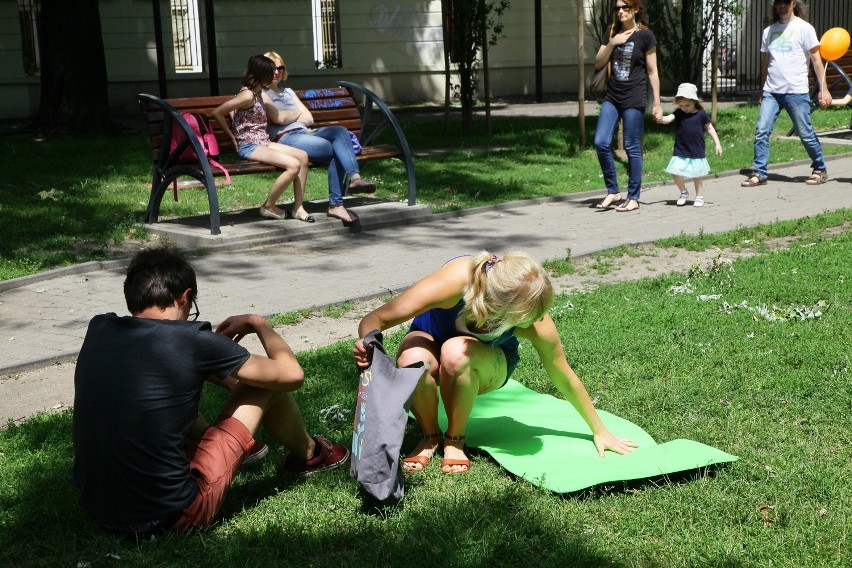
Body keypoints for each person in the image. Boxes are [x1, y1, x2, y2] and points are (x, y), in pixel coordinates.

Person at [73, 246, 349, 536]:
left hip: (99, 512)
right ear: (185, 297)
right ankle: (311, 454)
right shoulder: (192, 341)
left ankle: (242, 447)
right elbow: (291, 376)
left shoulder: (100, 328)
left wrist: (213, 363)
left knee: (163, 393)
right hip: (171, 517)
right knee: (266, 385)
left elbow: (172, 375)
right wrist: (259, 323)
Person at [352, 251, 637, 475]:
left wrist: (600, 430)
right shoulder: (455, 283)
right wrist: (370, 344)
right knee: (412, 358)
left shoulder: (535, 321)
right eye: (522, 317)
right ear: (496, 305)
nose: (532, 322)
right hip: (429, 340)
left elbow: (562, 374)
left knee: (456, 350)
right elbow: (375, 319)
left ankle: (455, 439)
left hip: (486, 363)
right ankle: (429, 436)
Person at [262, 51, 372, 226]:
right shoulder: (262, 93)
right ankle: (337, 204)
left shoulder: (288, 92)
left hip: (307, 132)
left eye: (280, 68)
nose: (277, 72)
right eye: (272, 68)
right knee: (340, 149)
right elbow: (278, 119)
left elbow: (309, 118)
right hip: (287, 138)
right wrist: (297, 113)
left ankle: (355, 178)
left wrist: (291, 115)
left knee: (339, 131)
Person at [211, 54, 314, 222]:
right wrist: (232, 137)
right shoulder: (248, 95)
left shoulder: (257, 91)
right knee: (293, 165)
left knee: (302, 156)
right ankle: (269, 206)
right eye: (270, 71)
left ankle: (298, 208)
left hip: (263, 141)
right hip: (250, 145)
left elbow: (236, 112)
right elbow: (217, 112)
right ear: (261, 74)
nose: (275, 74)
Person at [741, 0, 830, 188]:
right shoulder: (768, 31)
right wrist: (762, 89)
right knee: (761, 131)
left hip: (796, 91)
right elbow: (766, 63)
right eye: (779, 2)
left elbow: (816, 60)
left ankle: (820, 168)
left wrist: (824, 88)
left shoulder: (805, 28)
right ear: (775, 5)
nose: (782, 5)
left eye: (786, 2)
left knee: (805, 133)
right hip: (771, 92)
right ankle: (759, 172)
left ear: (794, 4)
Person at [593, 1, 662, 213]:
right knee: (601, 142)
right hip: (613, 97)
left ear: (635, 9)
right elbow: (598, 63)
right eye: (617, 8)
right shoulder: (612, 32)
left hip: (635, 98)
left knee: (632, 148)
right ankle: (613, 191)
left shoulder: (645, 35)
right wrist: (613, 43)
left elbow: (652, 71)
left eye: (625, 7)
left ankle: (633, 197)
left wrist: (657, 103)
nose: (621, 11)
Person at [655, 83, 723, 208]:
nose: (684, 108)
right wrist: (661, 119)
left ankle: (699, 196)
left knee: (696, 175)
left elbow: (710, 128)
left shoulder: (701, 114)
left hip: (696, 149)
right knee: (675, 171)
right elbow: (668, 118)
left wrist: (717, 143)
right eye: (681, 105)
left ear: (695, 102)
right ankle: (683, 192)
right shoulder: (679, 113)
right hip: (680, 148)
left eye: (687, 105)